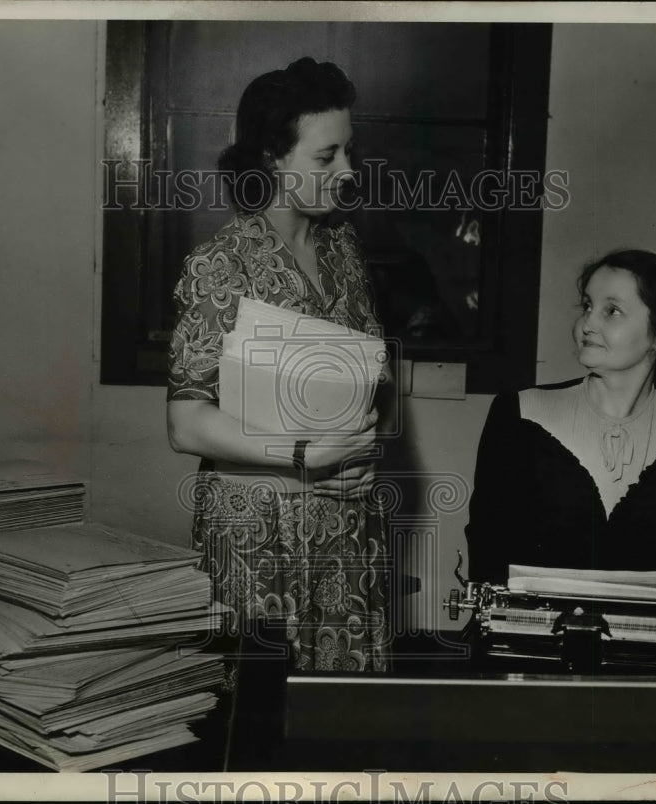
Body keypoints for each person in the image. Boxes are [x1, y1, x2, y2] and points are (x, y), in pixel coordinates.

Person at [166, 57, 392, 674]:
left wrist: (358, 458)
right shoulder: (221, 265)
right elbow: (186, 425)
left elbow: (362, 385)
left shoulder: (342, 247)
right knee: (257, 731)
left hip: (343, 526)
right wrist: (303, 456)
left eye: (349, 151)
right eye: (327, 158)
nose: (347, 172)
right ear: (272, 157)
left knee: (337, 729)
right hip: (255, 533)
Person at [465, 249, 656, 605]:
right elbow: (488, 549)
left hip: (647, 650)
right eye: (586, 306)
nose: (588, 323)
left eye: (612, 311)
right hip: (528, 645)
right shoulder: (518, 415)